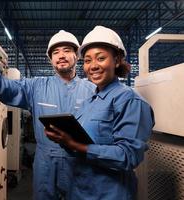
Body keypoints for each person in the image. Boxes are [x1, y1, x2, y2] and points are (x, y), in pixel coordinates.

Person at [0, 27, 95, 199]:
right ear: (50, 59)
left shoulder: (93, 90)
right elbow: (3, 87)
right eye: (55, 52)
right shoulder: (36, 87)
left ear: (76, 56)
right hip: (46, 165)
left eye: (67, 50)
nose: (61, 55)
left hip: (80, 163)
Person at [45, 25, 155, 200]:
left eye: (101, 58)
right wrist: (63, 138)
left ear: (117, 60)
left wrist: (75, 145)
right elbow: (84, 143)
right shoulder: (90, 101)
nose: (93, 66)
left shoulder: (129, 101)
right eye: (87, 60)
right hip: (80, 190)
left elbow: (128, 156)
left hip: (108, 193)